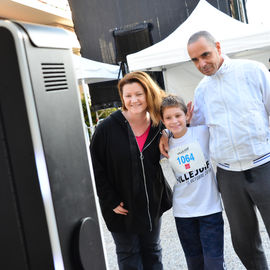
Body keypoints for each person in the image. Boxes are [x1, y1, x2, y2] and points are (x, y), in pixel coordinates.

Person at [161, 30, 270, 269]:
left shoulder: (253, 71)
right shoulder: (201, 90)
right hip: (229, 175)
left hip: (264, 165)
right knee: (244, 243)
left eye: (205, 55)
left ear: (218, 47)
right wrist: (167, 132)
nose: (201, 63)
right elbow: (191, 130)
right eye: (195, 60)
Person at [90, 71, 172, 270]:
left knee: (152, 251)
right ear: (122, 98)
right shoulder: (106, 128)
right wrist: (109, 199)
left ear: (148, 94)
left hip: (151, 202)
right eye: (128, 96)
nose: (134, 100)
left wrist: (167, 132)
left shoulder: (158, 124)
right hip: (120, 206)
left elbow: (180, 122)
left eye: (139, 94)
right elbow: (95, 166)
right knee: (129, 255)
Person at [159, 94, 224, 270]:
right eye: (168, 118)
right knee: (194, 264)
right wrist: (164, 134)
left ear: (187, 115)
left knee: (214, 263)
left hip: (210, 210)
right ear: (162, 121)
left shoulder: (202, 132)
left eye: (178, 115)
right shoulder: (165, 143)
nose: (174, 121)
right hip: (183, 213)